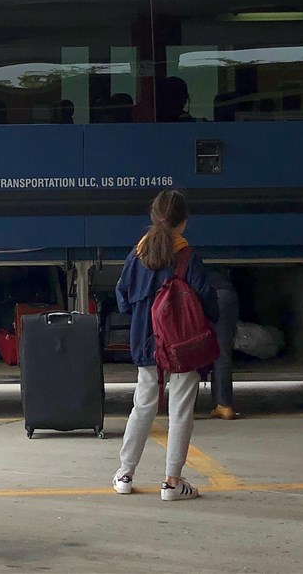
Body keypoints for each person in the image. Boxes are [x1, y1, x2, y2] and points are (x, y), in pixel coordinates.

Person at [111, 189, 219, 501]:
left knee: (142, 405)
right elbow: (208, 300)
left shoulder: (137, 255)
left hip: (145, 341)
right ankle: (172, 482)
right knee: (180, 409)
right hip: (183, 345)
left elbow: (122, 297)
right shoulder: (187, 256)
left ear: (153, 216)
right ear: (183, 223)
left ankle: (124, 474)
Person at [205, 265, 239, 420]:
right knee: (222, 352)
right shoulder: (191, 255)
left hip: (203, 297)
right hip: (226, 295)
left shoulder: (175, 259)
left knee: (188, 350)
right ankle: (224, 405)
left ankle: (183, 406)